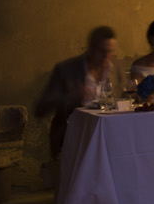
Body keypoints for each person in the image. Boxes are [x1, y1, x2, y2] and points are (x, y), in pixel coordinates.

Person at [35, 26, 119, 158]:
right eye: (102, 51)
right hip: (74, 139)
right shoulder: (66, 69)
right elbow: (40, 109)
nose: (107, 57)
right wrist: (70, 97)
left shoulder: (116, 69)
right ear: (91, 49)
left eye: (110, 52)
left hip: (110, 140)